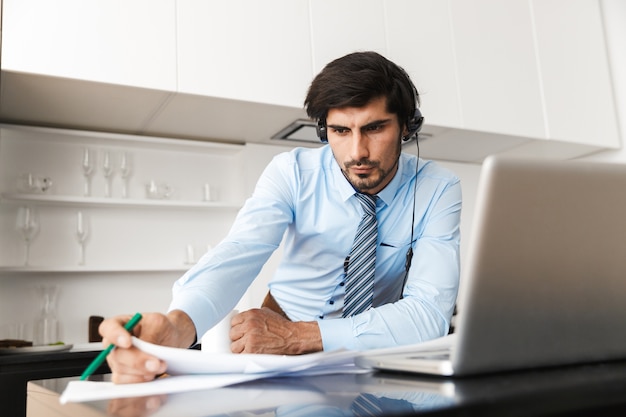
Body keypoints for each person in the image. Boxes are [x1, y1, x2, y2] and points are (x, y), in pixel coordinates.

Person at [100, 51, 462, 384]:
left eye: (374, 128)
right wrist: (178, 326)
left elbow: (428, 315)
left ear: (407, 127)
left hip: (374, 347)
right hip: (277, 337)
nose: (357, 152)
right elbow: (241, 251)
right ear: (324, 131)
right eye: (340, 131)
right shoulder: (292, 172)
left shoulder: (438, 189)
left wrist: (302, 336)